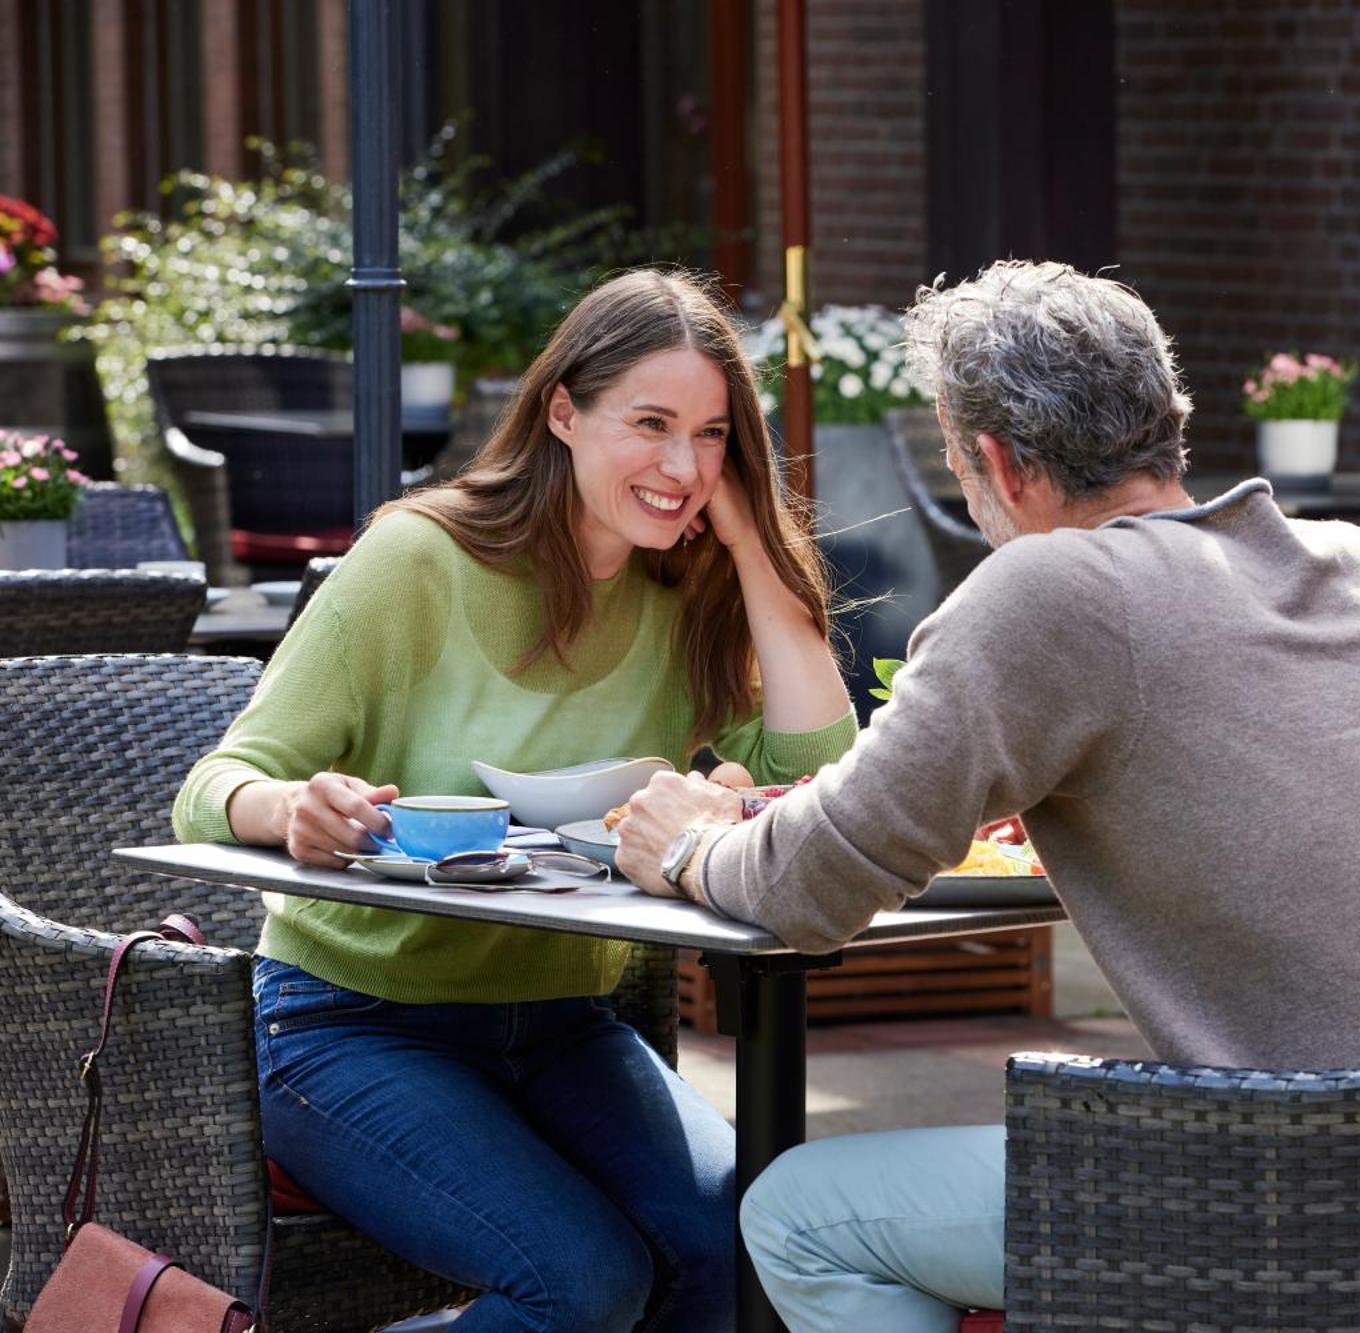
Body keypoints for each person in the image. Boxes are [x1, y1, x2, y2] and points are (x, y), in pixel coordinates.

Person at [612, 259, 1360, 1330]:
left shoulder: (1049, 589)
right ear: (1170, 421)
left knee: (801, 1214)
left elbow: (814, 884)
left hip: (1325, 1193)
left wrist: (689, 846)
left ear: (996, 463)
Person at [172, 269, 858, 1333]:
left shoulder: (684, 590)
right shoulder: (416, 560)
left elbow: (816, 773)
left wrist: (755, 549)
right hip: (348, 1025)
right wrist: (292, 808)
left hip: (561, 1026)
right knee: (582, 1284)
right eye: (650, 424)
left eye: (712, 436)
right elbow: (212, 785)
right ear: (562, 412)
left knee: (734, 1241)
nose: (682, 466)